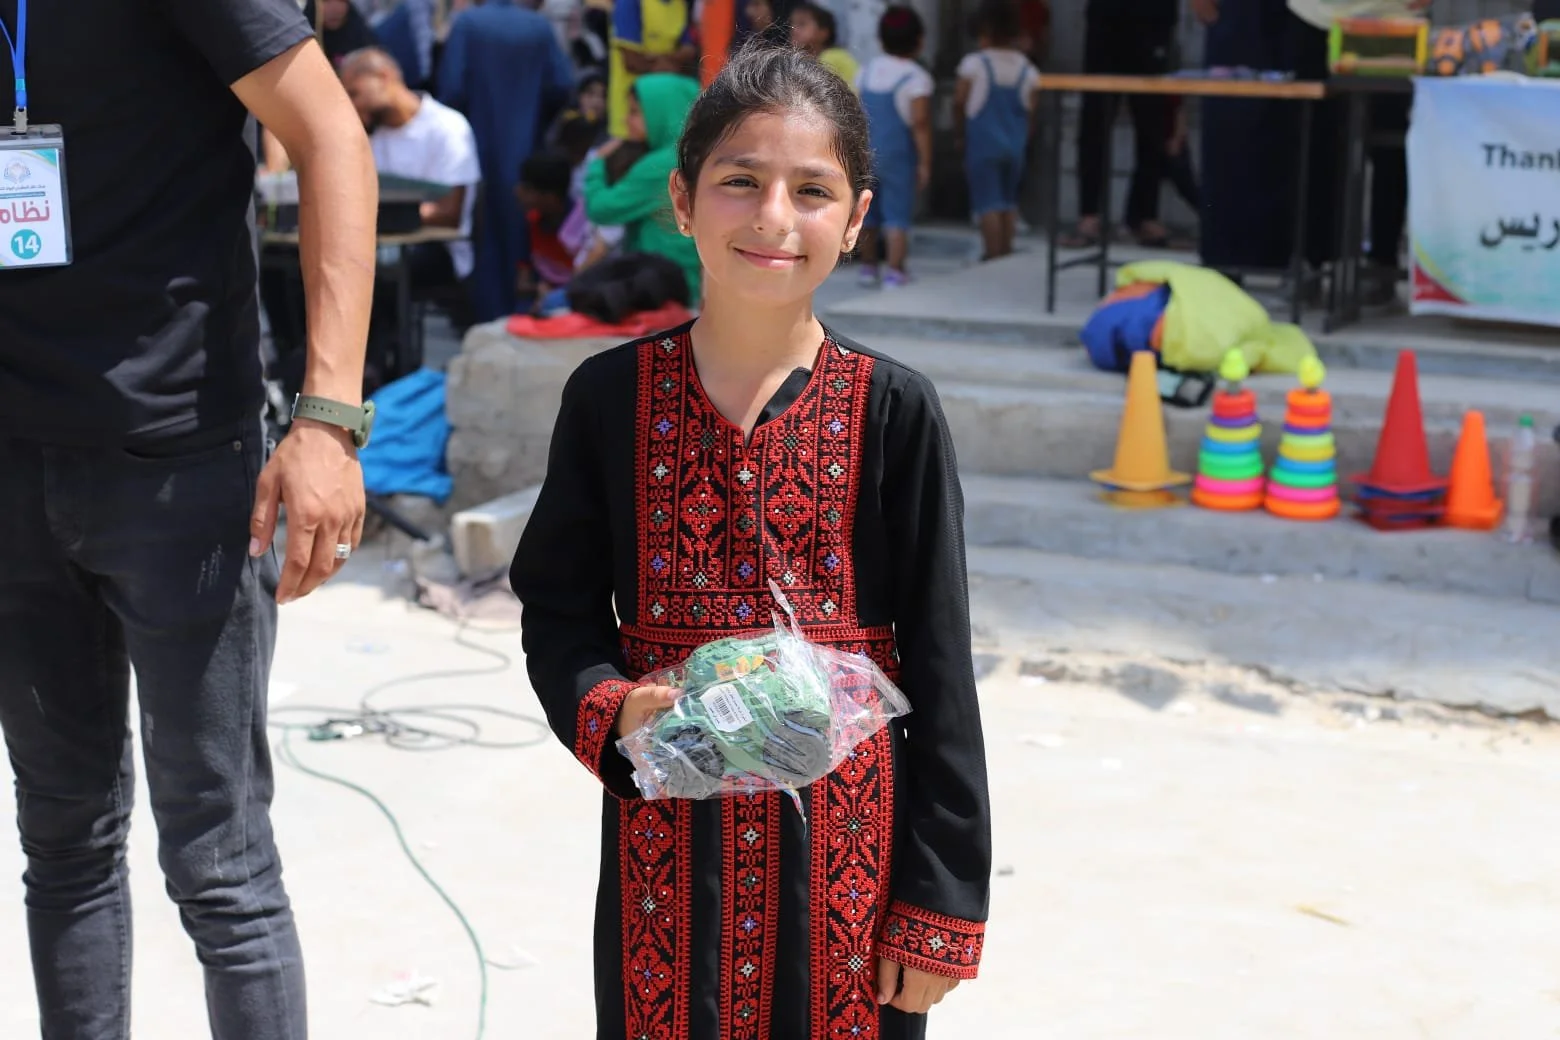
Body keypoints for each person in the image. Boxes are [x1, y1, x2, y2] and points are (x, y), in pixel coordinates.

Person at [510, 41, 992, 1040]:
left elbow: (941, 659)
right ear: (682, 201)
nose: (775, 217)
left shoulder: (893, 409)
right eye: (741, 181)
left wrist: (940, 900)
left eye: (813, 190)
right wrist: (612, 709)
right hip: (665, 850)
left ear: (857, 219)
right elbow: (556, 609)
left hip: (850, 858)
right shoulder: (609, 397)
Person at [0, 1, 378, 1037]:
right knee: (63, 839)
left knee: (221, 863)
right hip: (13, 472)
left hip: (180, 467)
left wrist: (329, 418)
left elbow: (329, 132)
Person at [340, 48, 483, 362]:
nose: (351, 103)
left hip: (437, 251)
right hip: (380, 246)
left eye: (355, 93)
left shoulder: (446, 127)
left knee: (368, 281)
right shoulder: (371, 135)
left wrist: (384, 216)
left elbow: (449, 213)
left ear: (385, 78)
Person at [438, 0, 576, 321]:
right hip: (526, 147)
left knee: (484, 234)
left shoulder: (468, 24)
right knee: (523, 229)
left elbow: (452, 88)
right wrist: (535, 121)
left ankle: (487, 316)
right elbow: (561, 85)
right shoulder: (538, 26)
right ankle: (527, 310)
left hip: (476, 148)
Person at [1060, 0, 1178, 249]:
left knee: (1152, 124)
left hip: (1152, 20)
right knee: (1095, 121)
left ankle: (1144, 215)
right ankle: (1089, 215)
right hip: (1107, 17)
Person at [584, 73, 704, 300]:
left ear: (662, 112)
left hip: (661, 283)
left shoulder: (661, 164)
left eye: (635, 112)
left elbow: (601, 209)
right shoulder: (695, 153)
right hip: (684, 279)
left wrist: (596, 165)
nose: (626, 121)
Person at [955, 0, 1042, 261]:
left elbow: (960, 102)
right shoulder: (1028, 69)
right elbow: (1031, 112)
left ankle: (992, 256)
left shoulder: (974, 64)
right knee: (1008, 202)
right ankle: (1006, 254)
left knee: (988, 203)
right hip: (1015, 144)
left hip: (983, 144)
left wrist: (959, 134)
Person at [856, 6, 934, 288]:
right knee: (897, 215)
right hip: (899, 156)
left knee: (866, 213)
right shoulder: (916, 78)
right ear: (919, 40)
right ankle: (895, 270)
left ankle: (867, 268)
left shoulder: (865, 72)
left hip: (866, 152)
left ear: (881, 38)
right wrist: (925, 162)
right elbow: (920, 123)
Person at [609, 0, 697, 139]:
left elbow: (689, 51)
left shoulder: (678, 4)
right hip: (631, 109)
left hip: (664, 112)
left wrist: (658, 59)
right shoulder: (629, 3)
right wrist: (671, 63)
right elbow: (632, 61)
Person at [516, 151, 591, 312]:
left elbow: (589, 282)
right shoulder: (532, 222)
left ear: (550, 197)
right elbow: (522, 285)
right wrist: (540, 290)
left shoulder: (582, 226)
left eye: (527, 189)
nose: (517, 192)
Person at [790, 1, 860, 91]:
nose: (794, 30)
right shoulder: (798, 60)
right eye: (792, 24)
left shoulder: (833, 57)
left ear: (823, 32)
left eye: (802, 24)